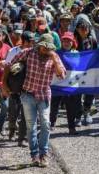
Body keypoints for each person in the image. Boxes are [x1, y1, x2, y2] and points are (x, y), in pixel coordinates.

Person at [10, 33, 66, 167]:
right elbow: (10, 64)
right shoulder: (28, 52)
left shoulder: (54, 56)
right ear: (39, 45)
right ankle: (34, 154)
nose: (45, 51)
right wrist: (6, 85)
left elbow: (62, 75)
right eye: (44, 48)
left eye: (48, 49)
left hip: (44, 95)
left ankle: (44, 153)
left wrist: (54, 58)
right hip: (27, 94)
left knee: (46, 124)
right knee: (31, 126)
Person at [2, 31, 35, 145]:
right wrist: (5, 84)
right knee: (13, 111)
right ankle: (12, 130)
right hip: (14, 86)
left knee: (26, 113)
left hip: (27, 87)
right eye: (30, 42)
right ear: (24, 41)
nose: (32, 44)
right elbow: (7, 67)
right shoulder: (13, 52)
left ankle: (22, 138)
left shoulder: (34, 53)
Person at [50, 32, 80, 135]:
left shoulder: (77, 54)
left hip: (70, 85)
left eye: (69, 40)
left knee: (70, 106)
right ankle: (51, 124)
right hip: (57, 83)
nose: (66, 42)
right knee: (54, 105)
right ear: (61, 41)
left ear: (73, 42)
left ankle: (71, 127)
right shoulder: (55, 53)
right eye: (64, 40)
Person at [74, 16, 97, 126]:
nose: (84, 30)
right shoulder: (73, 40)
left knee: (89, 94)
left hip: (90, 72)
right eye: (81, 28)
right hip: (76, 73)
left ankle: (87, 114)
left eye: (86, 28)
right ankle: (77, 116)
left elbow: (97, 54)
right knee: (77, 95)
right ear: (77, 29)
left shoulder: (92, 41)